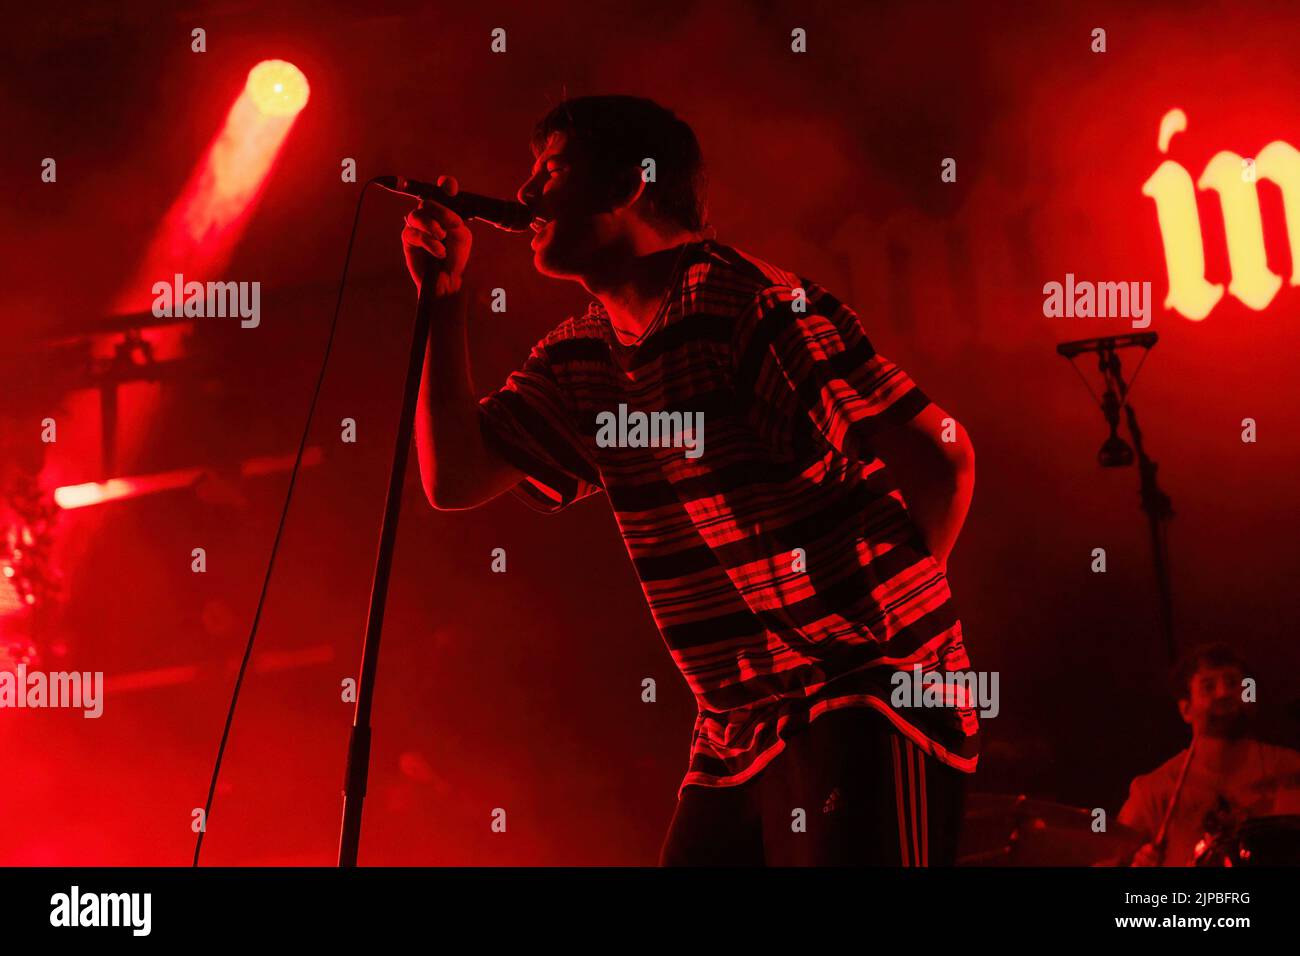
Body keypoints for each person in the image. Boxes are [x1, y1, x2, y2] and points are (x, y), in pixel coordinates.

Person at [401, 95, 978, 865]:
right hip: (736, 726)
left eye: (553, 168)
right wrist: (440, 301)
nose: (528, 194)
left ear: (632, 183)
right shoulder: (582, 357)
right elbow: (458, 477)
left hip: (873, 695)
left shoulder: (748, 307)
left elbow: (942, 455)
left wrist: (884, 624)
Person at [1120, 643, 1300, 866]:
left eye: (1233, 683)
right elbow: (1107, 855)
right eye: (1208, 686)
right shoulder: (1153, 792)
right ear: (1186, 709)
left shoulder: (1292, 769)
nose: (1224, 692)